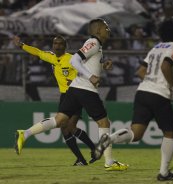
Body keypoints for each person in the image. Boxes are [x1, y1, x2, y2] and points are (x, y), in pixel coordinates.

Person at [14, 18, 128, 171]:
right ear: (98, 30)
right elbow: (75, 60)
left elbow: (85, 63)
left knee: (60, 120)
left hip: (74, 89)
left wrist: (102, 65)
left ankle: (25, 133)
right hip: (85, 89)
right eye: (106, 27)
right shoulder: (93, 42)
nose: (109, 30)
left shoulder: (96, 45)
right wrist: (91, 77)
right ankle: (109, 162)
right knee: (104, 123)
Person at [99, 18, 173, 181]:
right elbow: (166, 66)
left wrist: (153, 80)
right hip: (159, 94)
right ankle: (164, 173)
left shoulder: (155, 48)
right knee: (169, 133)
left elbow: (140, 72)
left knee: (135, 134)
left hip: (142, 92)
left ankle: (109, 139)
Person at [13, 35, 97, 166]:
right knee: (67, 128)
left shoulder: (71, 59)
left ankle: (26, 133)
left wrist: (76, 80)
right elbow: (37, 52)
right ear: (52, 46)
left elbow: (84, 73)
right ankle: (84, 156)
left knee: (67, 126)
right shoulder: (51, 57)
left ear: (65, 46)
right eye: (55, 43)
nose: (57, 46)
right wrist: (22, 45)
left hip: (75, 93)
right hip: (65, 96)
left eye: (60, 44)